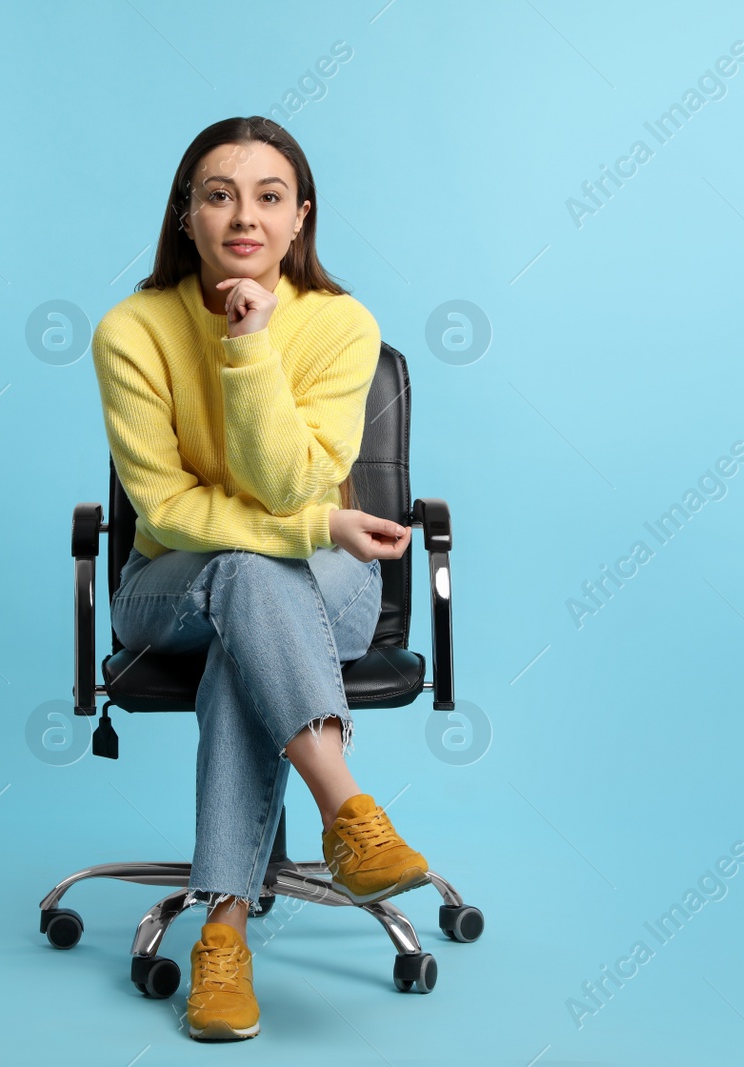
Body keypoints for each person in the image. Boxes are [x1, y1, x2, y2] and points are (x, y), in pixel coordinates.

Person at [89, 116, 429, 1042]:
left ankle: (222, 937)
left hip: (330, 592)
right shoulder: (132, 330)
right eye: (219, 194)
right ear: (186, 215)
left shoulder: (343, 325)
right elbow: (162, 513)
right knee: (244, 570)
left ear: (300, 218)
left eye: (269, 196)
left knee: (252, 601)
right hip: (168, 590)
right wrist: (317, 525)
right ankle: (346, 808)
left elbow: (289, 473)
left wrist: (253, 340)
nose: (245, 216)